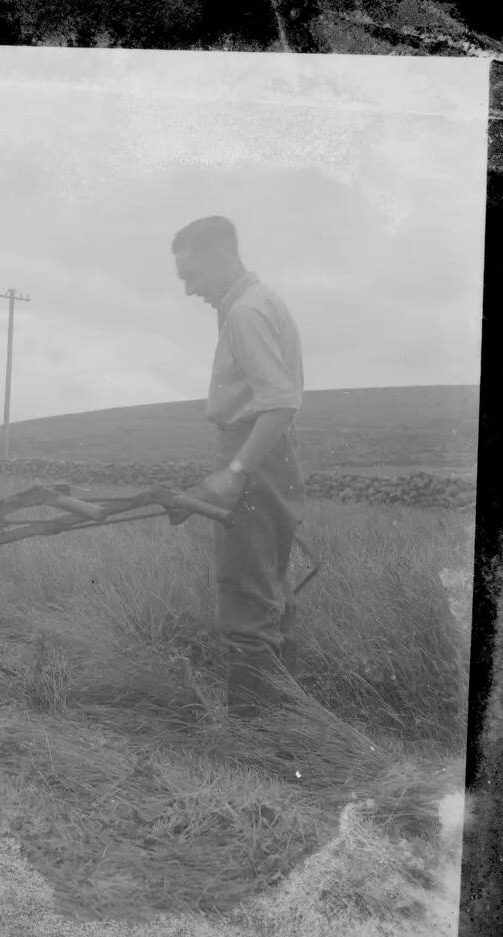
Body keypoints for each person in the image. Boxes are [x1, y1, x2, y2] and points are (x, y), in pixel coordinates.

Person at [169, 216, 306, 717]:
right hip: (275, 457)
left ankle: (255, 739)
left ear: (218, 257)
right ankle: (288, 721)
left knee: (245, 593)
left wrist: (235, 469)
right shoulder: (263, 301)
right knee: (271, 589)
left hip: (252, 453)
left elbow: (278, 402)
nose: (189, 289)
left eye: (191, 275)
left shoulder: (245, 312)